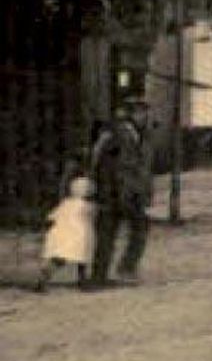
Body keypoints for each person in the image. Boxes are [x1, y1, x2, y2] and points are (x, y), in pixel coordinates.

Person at [90, 98, 154, 286]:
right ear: (130, 114)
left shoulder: (142, 135)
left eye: (145, 112)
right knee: (107, 234)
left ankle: (123, 269)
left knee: (138, 229)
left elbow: (144, 167)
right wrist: (105, 189)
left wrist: (145, 191)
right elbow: (101, 163)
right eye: (140, 112)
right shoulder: (114, 135)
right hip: (113, 193)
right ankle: (100, 276)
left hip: (132, 193)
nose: (145, 116)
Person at [36, 174, 95, 292]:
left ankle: (44, 279)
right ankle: (83, 283)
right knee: (82, 260)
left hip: (61, 234)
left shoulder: (65, 203)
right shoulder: (88, 206)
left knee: (59, 258)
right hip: (78, 235)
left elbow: (51, 217)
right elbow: (93, 218)